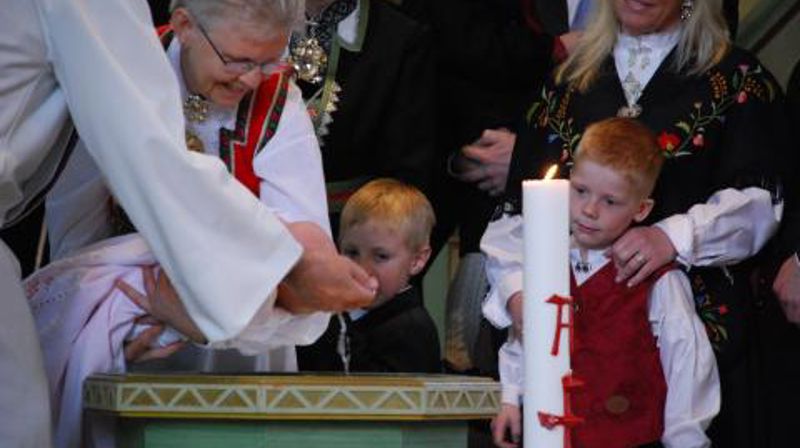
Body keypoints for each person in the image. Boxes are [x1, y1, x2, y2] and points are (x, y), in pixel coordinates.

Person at [0, 0, 375, 445]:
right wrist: (103, 326)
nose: (253, 77)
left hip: (245, 337)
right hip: (135, 320)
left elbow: (301, 229)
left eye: (267, 61)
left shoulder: (279, 102)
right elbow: (83, 223)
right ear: (184, 25)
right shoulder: (128, 65)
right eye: (237, 60)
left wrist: (297, 268)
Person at [481, 0, 791, 446]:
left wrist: (671, 236)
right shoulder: (567, 82)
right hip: (568, 352)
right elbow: (520, 209)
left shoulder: (736, 79)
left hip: (695, 343)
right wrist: (518, 293)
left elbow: (761, 200)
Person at [488, 117, 719, 448]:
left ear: (641, 209)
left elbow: (687, 362)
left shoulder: (657, 279)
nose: (590, 210)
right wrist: (511, 397)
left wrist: (685, 439)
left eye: (610, 201)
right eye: (580, 191)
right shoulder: (547, 259)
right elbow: (526, 337)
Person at [287, 0, 435, 238]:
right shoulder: (245, 18)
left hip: (355, 239)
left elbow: (409, 170)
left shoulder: (400, 38)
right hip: (252, 229)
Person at [296, 178, 441, 373]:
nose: (362, 269)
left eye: (381, 256)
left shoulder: (411, 329)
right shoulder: (333, 314)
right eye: (352, 252)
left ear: (417, 261)